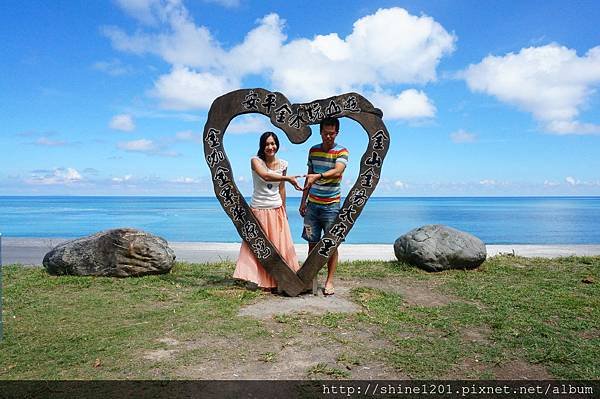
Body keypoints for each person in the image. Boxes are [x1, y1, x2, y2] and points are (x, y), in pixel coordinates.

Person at [234, 131, 303, 291]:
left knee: (278, 245)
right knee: (257, 246)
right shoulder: (255, 161)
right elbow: (265, 176)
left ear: (277, 145)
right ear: (262, 146)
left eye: (273, 143)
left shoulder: (284, 164)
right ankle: (255, 279)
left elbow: (282, 189)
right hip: (258, 209)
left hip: (276, 208)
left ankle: (278, 279)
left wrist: (284, 209)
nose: (270, 147)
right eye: (267, 144)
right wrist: (288, 178)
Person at [299, 117, 348, 296]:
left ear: (337, 133)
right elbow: (308, 176)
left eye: (332, 133)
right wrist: (303, 201)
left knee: (331, 245)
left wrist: (318, 177)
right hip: (312, 205)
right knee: (312, 243)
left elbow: (338, 171)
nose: (328, 136)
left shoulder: (341, 151)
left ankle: (329, 281)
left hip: (332, 206)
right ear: (320, 132)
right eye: (325, 133)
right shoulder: (313, 150)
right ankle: (311, 279)